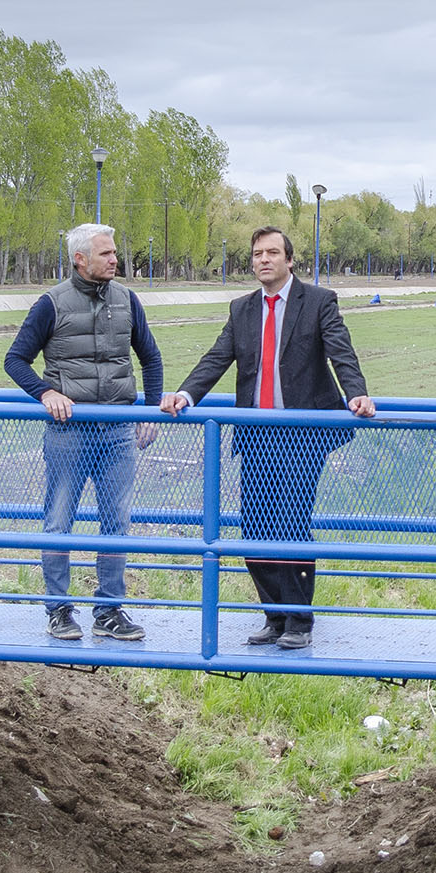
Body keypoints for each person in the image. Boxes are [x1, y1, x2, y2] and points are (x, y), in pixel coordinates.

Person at [163, 225, 376, 650]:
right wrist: (185, 394)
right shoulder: (241, 308)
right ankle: (274, 615)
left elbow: (341, 351)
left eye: (272, 252)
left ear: (289, 260)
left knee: (292, 528)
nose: (264, 259)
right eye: (258, 253)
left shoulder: (318, 302)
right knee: (254, 529)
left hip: (302, 435)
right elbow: (217, 358)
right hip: (257, 438)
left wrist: (357, 394)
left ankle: (299, 620)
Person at [2, 223, 163, 644]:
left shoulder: (127, 300)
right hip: (69, 434)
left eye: (114, 252)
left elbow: (151, 357)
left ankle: (109, 609)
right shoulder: (51, 303)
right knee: (58, 521)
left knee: (117, 523)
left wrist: (150, 410)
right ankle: (58, 610)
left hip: (118, 432)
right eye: (106, 253)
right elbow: (16, 360)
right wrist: (46, 392)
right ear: (80, 259)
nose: (115, 259)